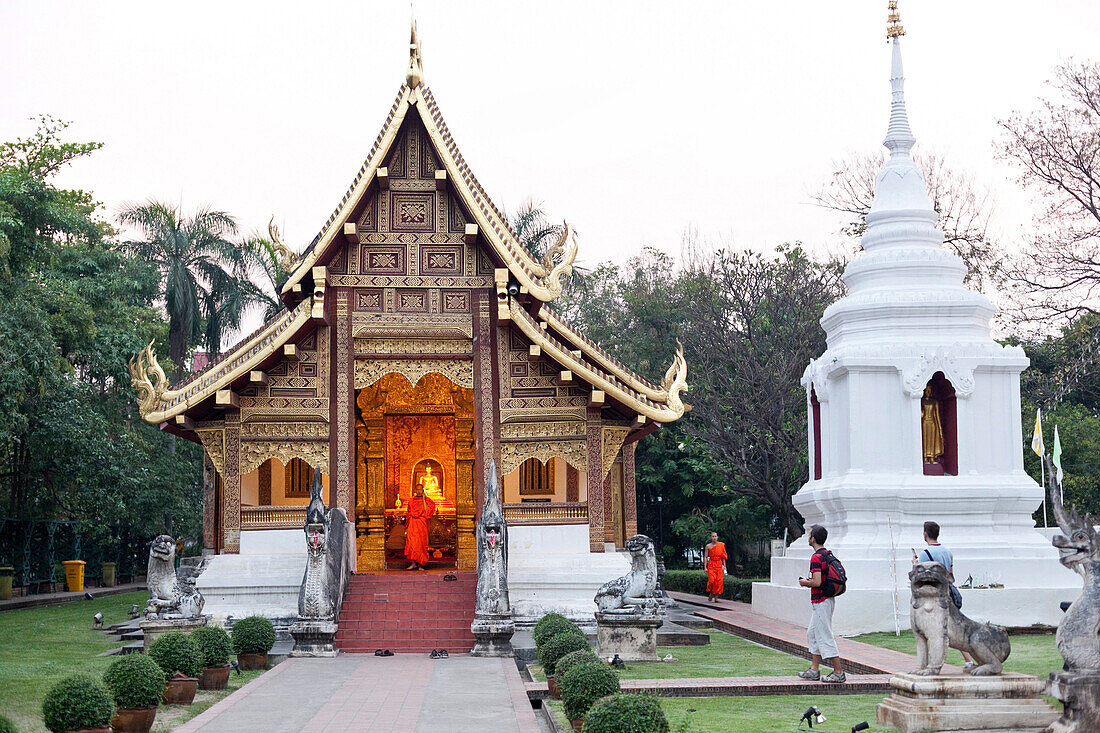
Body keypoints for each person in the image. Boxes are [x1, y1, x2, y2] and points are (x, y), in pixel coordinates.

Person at [912, 520, 975, 670]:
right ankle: (968, 660)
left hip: (935, 598)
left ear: (925, 534)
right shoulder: (947, 552)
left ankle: (932, 663)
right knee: (955, 629)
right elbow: (951, 573)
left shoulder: (925, 554)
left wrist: (915, 565)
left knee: (934, 632)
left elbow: (922, 576)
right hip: (949, 592)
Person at [797, 525, 846, 683]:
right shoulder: (827, 554)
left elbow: (817, 581)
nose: (808, 537)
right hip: (826, 600)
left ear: (813, 538)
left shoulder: (817, 557)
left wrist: (805, 583)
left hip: (821, 600)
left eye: (810, 535)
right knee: (812, 634)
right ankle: (814, 669)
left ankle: (838, 672)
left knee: (824, 635)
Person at [404, 485, 436, 571]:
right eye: (417, 489)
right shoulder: (412, 500)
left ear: (423, 490)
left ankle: (421, 565)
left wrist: (424, 500)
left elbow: (427, 512)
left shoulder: (427, 501)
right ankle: (413, 563)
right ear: (415, 490)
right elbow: (408, 512)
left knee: (421, 543)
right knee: (412, 543)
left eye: (420, 490)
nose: (419, 491)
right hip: (413, 523)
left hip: (421, 523)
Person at [705, 532, 727, 602]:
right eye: (713, 536)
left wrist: (725, 566)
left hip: (719, 564)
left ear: (717, 537)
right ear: (711, 538)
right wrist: (705, 567)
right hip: (711, 565)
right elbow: (705, 557)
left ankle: (716, 598)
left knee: (719, 582)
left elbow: (723, 557)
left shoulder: (721, 545)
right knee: (712, 581)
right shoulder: (708, 546)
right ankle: (711, 593)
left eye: (715, 536)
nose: (714, 538)